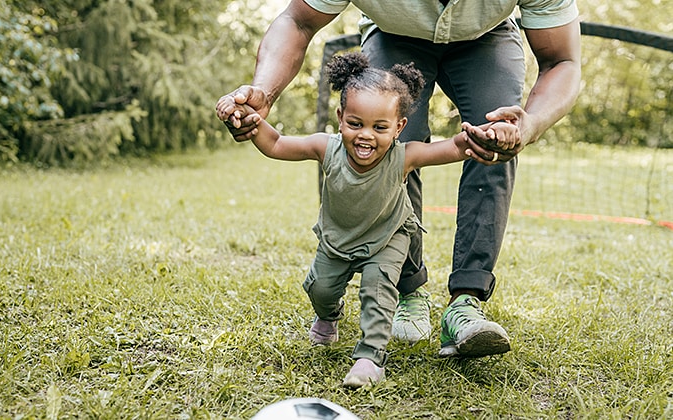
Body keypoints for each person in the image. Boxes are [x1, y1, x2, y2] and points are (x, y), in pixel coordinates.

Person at [217, 0, 581, 357]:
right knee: (389, 147)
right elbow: (298, 20)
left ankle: (466, 302)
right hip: (393, 33)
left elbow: (561, 60)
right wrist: (263, 91)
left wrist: (530, 124)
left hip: (486, 37)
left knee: (495, 138)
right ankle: (408, 290)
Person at [216, 52, 517, 387]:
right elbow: (275, 143)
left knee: (378, 293)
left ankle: (370, 359)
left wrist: (486, 135)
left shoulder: (405, 156)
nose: (366, 136)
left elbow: (454, 147)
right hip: (337, 239)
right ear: (341, 116)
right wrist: (250, 121)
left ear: (399, 127)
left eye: (380, 127)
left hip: (387, 239)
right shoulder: (325, 147)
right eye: (356, 124)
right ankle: (329, 316)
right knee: (320, 289)